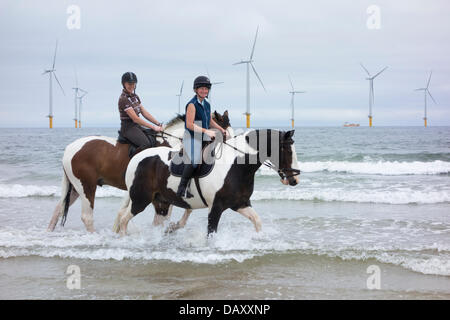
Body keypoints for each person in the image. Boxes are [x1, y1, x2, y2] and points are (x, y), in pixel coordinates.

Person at [176, 76, 228, 198]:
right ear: (195, 89)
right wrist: (206, 131)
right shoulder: (192, 105)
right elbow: (189, 124)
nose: (204, 91)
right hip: (191, 137)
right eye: (201, 89)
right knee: (195, 160)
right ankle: (182, 188)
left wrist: (220, 129)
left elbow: (209, 120)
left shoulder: (207, 104)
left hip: (204, 136)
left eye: (206, 89)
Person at [118, 72, 163, 153]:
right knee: (146, 144)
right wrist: (153, 127)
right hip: (128, 128)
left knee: (154, 138)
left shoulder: (135, 97)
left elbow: (144, 113)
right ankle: (134, 164)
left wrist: (158, 123)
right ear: (124, 84)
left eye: (133, 83)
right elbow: (136, 119)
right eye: (129, 84)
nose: (132, 86)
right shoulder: (123, 99)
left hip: (136, 126)